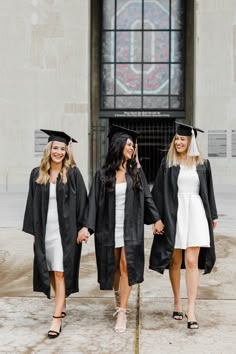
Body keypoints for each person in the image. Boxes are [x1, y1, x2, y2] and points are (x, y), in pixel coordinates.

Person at [77, 125, 164, 333]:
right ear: (118, 147)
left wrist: (156, 219)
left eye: (133, 146)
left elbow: (147, 198)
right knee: (114, 267)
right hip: (109, 228)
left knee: (127, 266)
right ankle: (118, 296)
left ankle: (123, 311)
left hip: (131, 228)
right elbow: (93, 203)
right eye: (129, 145)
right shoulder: (102, 175)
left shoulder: (137, 173)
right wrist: (87, 228)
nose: (132, 149)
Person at [149, 122, 218, 329]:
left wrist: (212, 214)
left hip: (196, 212)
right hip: (174, 213)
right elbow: (158, 192)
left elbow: (209, 190)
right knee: (175, 258)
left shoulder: (203, 163)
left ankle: (191, 309)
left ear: (191, 141)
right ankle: (177, 301)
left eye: (182, 139)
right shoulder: (168, 163)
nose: (178, 142)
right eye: (177, 139)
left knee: (191, 260)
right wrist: (156, 218)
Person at [22, 129, 87, 338]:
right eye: (55, 148)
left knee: (60, 271)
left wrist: (83, 227)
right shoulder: (37, 174)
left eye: (62, 148)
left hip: (65, 233)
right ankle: (62, 301)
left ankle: (56, 318)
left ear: (67, 152)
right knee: (50, 269)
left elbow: (83, 203)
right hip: (45, 231)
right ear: (49, 150)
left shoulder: (73, 173)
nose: (58, 152)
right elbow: (31, 203)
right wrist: (34, 232)